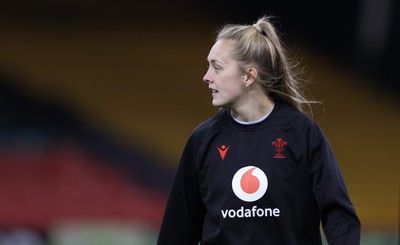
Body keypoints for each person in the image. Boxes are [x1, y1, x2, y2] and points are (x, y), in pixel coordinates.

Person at [157, 15, 361, 245]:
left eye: (217, 67)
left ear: (248, 76)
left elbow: (339, 217)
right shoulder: (203, 140)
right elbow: (176, 232)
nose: (206, 77)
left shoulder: (302, 133)